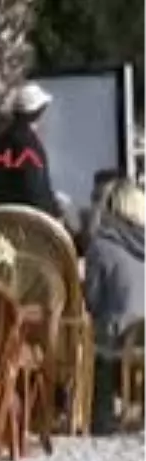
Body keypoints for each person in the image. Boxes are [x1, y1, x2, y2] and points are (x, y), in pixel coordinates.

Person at [84, 179, 146, 434]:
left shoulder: (102, 245)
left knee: (97, 341)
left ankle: (102, 416)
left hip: (120, 334)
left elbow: (93, 300)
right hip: (144, 329)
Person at [0, 82, 60, 217]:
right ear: (38, 111)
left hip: (1, 216)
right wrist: (53, 213)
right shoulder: (29, 144)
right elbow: (35, 189)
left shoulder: (0, 141)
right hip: (28, 219)